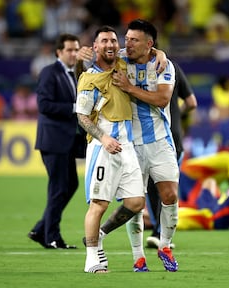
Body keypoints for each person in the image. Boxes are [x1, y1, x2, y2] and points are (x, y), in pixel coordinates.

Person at [76, 26, 146, 273]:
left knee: (137, 202)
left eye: (113, 40)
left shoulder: (124, 63)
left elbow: (147, 48)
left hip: (126, 146)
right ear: (95, 47)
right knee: (99, 204)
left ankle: (101, 235)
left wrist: (159, 54)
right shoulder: (88, 78)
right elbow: (82, 116)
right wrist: (104, 138)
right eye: (104, 41)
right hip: (103, 146)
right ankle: (92, 259)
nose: (110, 44)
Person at [111, 19, 179, 272]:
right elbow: (92, 62)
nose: (126, 44)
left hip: (160, 140)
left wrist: (129, 88)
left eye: (133, 40)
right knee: (135, 201)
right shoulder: (119, 59)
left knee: (170, 195)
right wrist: (87, 53)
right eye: (126, 38)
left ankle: (166, 246)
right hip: (129, 144)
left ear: (149, 44)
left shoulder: (163, 64)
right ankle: (138, 257)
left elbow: (162, 99)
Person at [28, 33, 86, 250]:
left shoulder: (75, 74)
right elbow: (44, 105)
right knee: (59, 187)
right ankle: (52, 236)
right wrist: (74, 108)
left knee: (69, 185)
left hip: (68, 141)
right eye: (70, 50)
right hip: (53, 141)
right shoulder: (49, 73)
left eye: (76, 49)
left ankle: (41, 229)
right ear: (58, 52)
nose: (74, 53)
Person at [145, 60, 198, 249]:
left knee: (150, 186)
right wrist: (176, 115)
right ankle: (160, 231)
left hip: (146, 136)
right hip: (172, 136)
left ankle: (157, 230)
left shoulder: (135, 69)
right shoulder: (173, 67)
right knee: (167, 185)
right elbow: (191, 102)